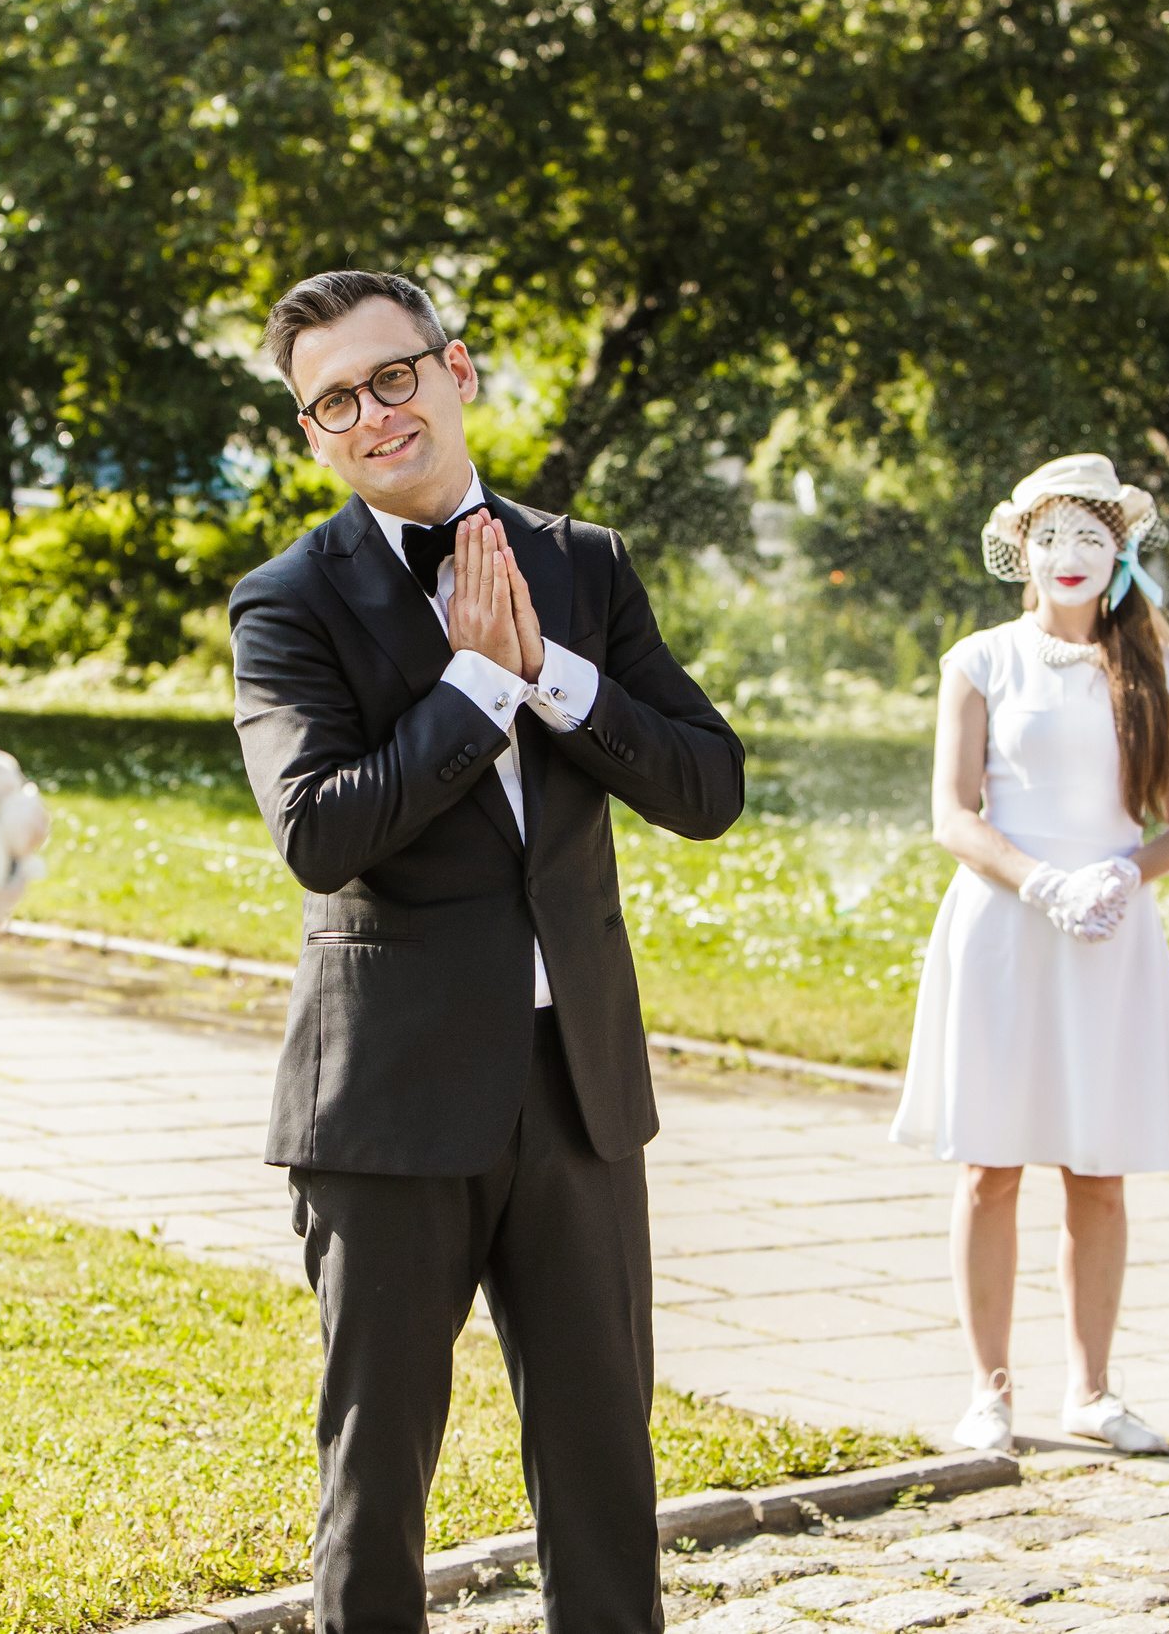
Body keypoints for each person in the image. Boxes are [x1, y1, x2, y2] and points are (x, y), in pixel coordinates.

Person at [229, 270, 744, 1632]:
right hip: (388, 1105)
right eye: (333, 399)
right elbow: (319, 833)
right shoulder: (288, 602)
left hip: (575, 1088)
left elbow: (708, 784)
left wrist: (557, 676)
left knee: (601, 1467)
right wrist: (473, 685)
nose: (371, 412)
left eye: (391, 375)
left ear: (456, 370)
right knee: (377, 1476)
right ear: (313, 434)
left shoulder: (583, 563)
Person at [893, 454, 1169, 1458]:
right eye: (1050, 537)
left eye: (1090, 536)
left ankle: (1093, 1389)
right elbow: (951, 815)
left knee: (1098, 1169)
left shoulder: (1158, 664)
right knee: (991, 1166)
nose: (1069, 556)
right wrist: (1040, 882)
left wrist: (1123, 875)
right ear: (1018, 549)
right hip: (1004, 927)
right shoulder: (979, 659)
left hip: (1108, 937)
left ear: (1119, 551)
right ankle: (989, 1393)